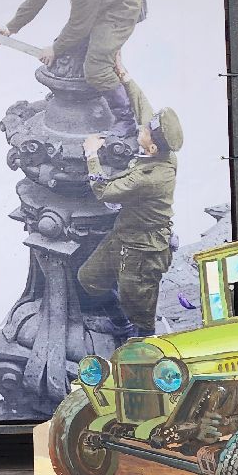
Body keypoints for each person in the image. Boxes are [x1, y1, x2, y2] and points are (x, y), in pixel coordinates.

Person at [0, 0, 148, 137]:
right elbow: (34, 2)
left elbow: (78, 26)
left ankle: (125, 121)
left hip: (119, 8)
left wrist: (55, 48)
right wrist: (9, 28)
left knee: (97, 67)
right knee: (72, 50)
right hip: (99, 2)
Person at [78, 108, 184, 339]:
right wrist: (124, 77)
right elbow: (142, 106)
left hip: (143, 250)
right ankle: (121, 323)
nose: (141, 129)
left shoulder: (148, 178)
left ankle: (142, 341)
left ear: (153, 148)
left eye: (145, 131)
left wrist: (91, 154)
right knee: (89, 278)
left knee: (141, 308)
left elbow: (103, 191)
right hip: (125, 235)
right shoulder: (164, 156)